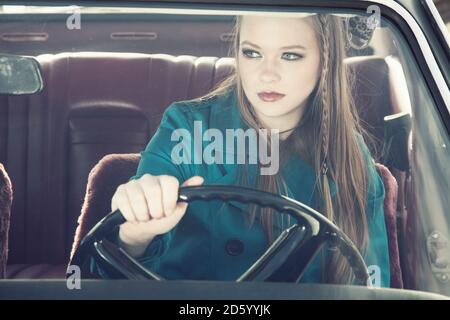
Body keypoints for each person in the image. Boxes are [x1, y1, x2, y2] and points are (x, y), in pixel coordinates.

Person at [94, 14, 390, 286]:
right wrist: (134, 230)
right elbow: (112, 273)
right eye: (252, 53)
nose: (267, 74)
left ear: (325, 61)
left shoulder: (349, 154)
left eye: (290, 55)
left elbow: (371, 284)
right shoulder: (187, 127)